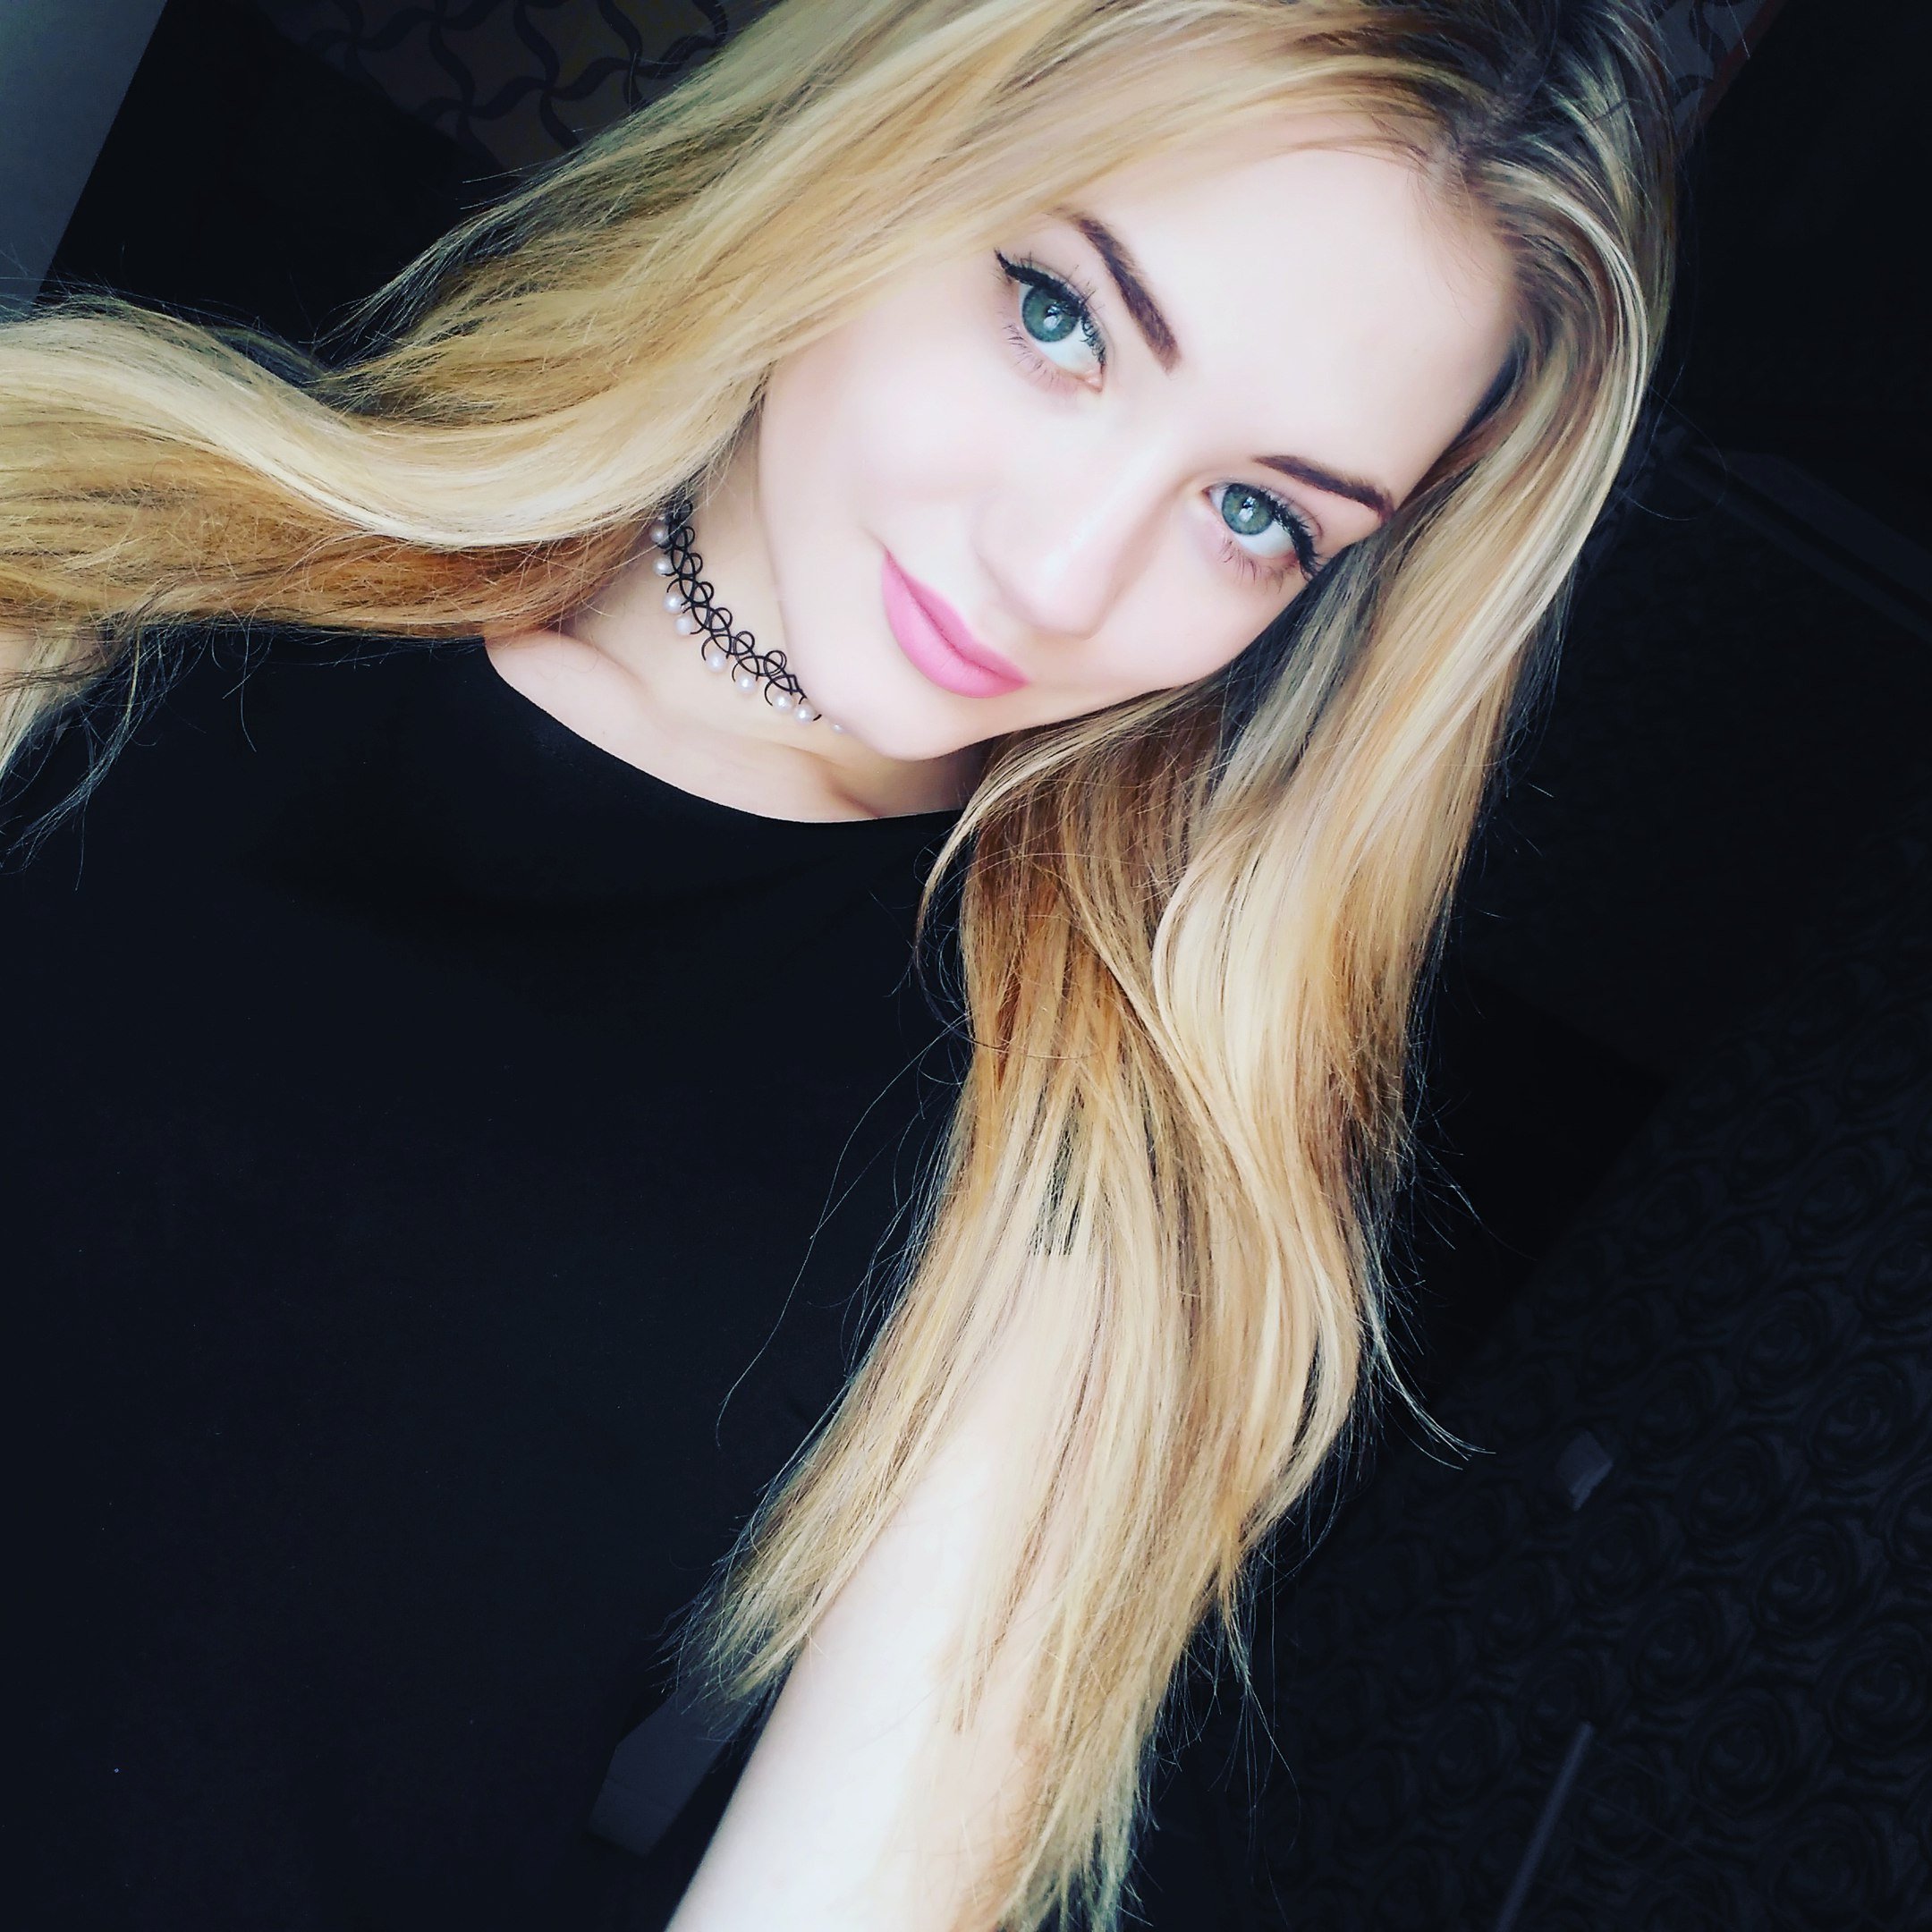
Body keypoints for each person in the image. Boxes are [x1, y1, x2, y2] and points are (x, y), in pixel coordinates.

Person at [0, 1, 1674, 1927]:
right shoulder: (94, 568)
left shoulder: (1079, 1175)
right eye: (1060, 315)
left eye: (1255, 516)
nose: (1061, 572)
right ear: (878, 144)